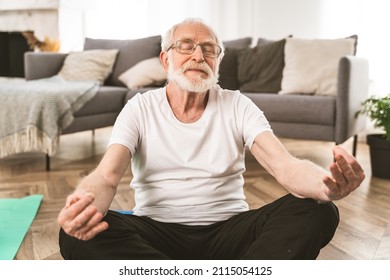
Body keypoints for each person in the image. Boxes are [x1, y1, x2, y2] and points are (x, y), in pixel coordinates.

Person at [58, 18, 365, 260]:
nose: (198, 55)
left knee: (318, 209)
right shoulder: (139, 108)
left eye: (209, 49)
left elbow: (284, 165)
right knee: (75, 232)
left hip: (229, 234)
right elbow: (106, 176)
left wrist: (326, 185)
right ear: (165, 60)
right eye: (186, 46)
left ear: (218, 62)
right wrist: (83, 207)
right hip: (157, 234)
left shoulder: (238, 104)